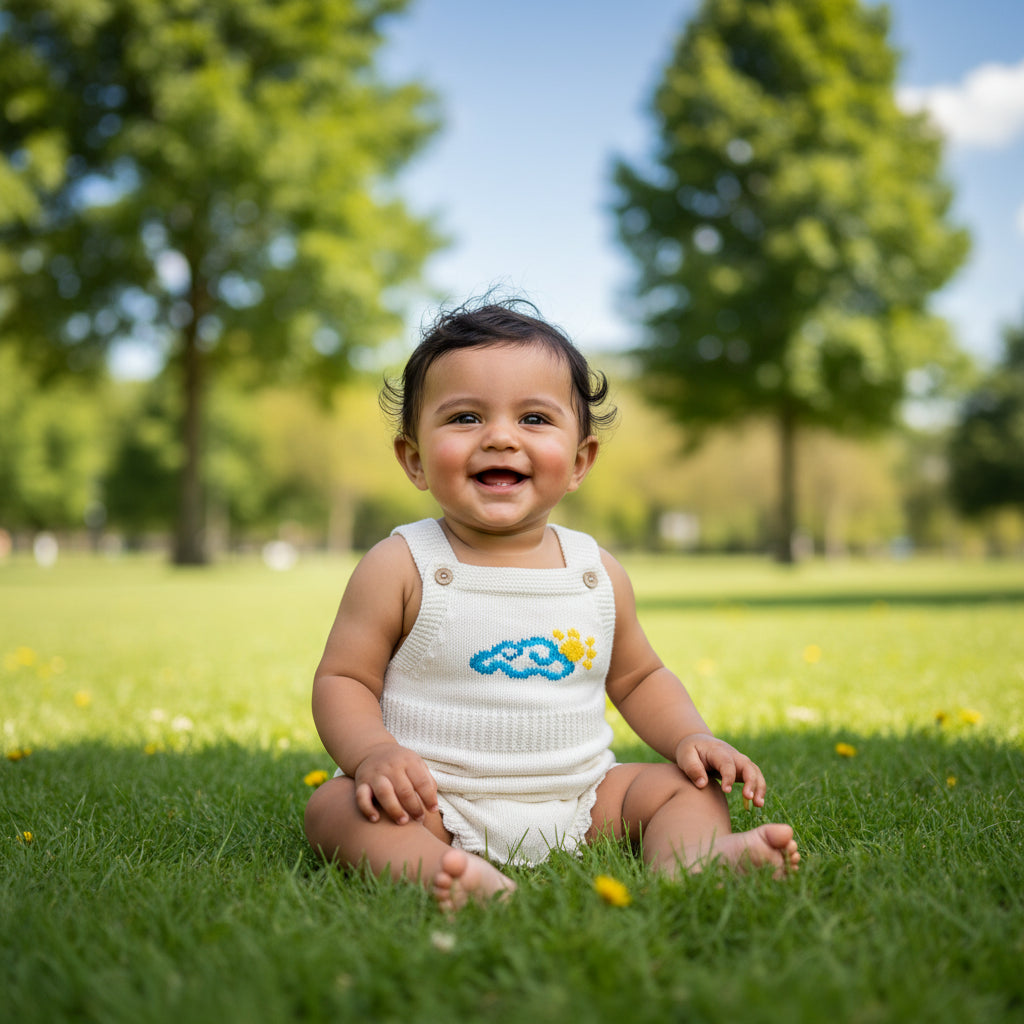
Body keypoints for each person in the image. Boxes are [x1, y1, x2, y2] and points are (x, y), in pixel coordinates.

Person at [304, 299, 799, 910]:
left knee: (687, 787)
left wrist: (691, 736)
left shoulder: (595, 572)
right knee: (335, 807)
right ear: (414, 458)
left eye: (534, 418)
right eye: (464, 417)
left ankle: (692, 861)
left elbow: (640, 677)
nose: (500, 437)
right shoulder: (403, 564)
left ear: (580, 461)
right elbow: (345, 679)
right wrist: (373, 753)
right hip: (433, 800)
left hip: (583, 798)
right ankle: (441, 870)